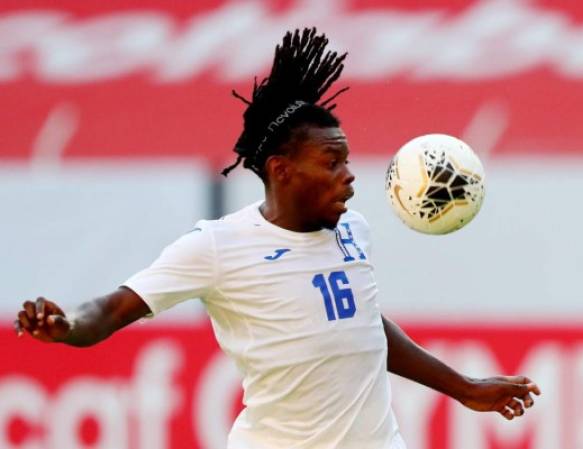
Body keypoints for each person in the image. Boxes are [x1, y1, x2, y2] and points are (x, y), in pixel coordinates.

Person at [15, 28, 540, 449]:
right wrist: (67, 324)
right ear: (282, 170)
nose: (349, 176)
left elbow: (362, 323)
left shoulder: (354, 230)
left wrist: (464, 388)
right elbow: (110, 310)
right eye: (332, 163)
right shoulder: (218, 247)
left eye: (348, 161)